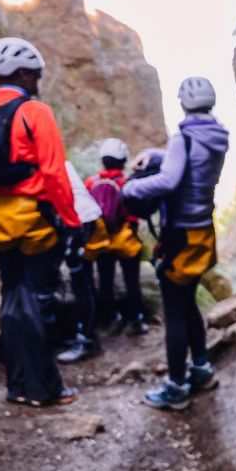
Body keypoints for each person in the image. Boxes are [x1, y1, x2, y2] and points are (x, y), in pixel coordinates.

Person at [0, 36, 80, 407]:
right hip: (35, 223)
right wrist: (72, 220)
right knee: (40, 301)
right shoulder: (35, 112)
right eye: (37, 75)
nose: (39, 81)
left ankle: (16, 385)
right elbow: (53, 173)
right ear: (24, 73)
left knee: (11, 300)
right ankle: (46, 388)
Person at [123, 76, 228, 411]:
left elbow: (169, 179)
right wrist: (157, 153)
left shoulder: (183, 136)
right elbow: (189, 164)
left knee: (174, 311)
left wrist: (129, 191)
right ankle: (201, 368)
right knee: (188, 301)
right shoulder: (217, 135)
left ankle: (176, 386)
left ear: (183, 103)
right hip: (202, 232)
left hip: (179, 235)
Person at [86, 139, 148, 336]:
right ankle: (135, 320)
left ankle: (110, 318)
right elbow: (133, 213)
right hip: (126, 240)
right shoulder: (126, 183)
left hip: (102, 239)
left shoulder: (91, 182)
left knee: (105, 280)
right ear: (123, 161)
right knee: (132, 281)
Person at [55, 161, 108, 364]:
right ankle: (83, 334)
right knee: (82, 280)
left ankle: (87, 340)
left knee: (80, 282)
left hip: (79, 219)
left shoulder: (48, 162)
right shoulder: (60, 160)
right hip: (83, 218)